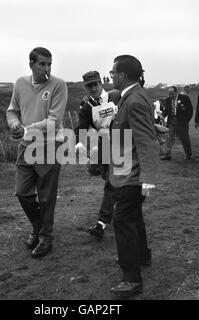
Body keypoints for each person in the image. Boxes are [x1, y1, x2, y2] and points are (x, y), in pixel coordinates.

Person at [6, 47, 68, 258]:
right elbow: (12, 110)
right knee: (22, 192)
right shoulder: (20, 83)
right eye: (42, 63)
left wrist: (26, 129)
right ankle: (39, 226)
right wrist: (14, 123)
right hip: (26, 145)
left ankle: (45, 237)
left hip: (50, 146)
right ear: (31, 64)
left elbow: (54, 121)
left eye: (49, 64)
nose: (47, 68)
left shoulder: (58, 85)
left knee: (46, 195)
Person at [108, 55, 159, 297]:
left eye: (113, 70)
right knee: (134, 217)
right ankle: (142, 256)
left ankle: (131, 279)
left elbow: (146, 141)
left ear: (123, 75)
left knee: (122, 221)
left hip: (132, 174)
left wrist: (147, 177)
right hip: (127, 170)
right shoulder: (132, 96)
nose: (110, 73)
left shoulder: (134, 100)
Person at [74, 70, 120, 239]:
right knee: (103, 174)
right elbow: (82, 126)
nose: (93, 88)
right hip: (105, 143)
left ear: (101, 83)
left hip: (124, 141)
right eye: (89, 86)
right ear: (86, 88)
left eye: (95, 84)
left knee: (111, 181)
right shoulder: (87, 107)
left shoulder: (116, 96)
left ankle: (102, 222)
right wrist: (79, 141)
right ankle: (121, 201)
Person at [160, 86, 193, 160]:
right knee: (169, 138)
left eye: (172, 94)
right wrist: (162, 116)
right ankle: (167, 154)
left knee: (184, 138)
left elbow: (190, 111)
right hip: (171, 121)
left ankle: (188, 154)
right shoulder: (168, 100)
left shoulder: (185, 98)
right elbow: (166, 111)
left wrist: (185, 121)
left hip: (181, 122)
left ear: (176, 92)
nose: (171, 96)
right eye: (169, 94)